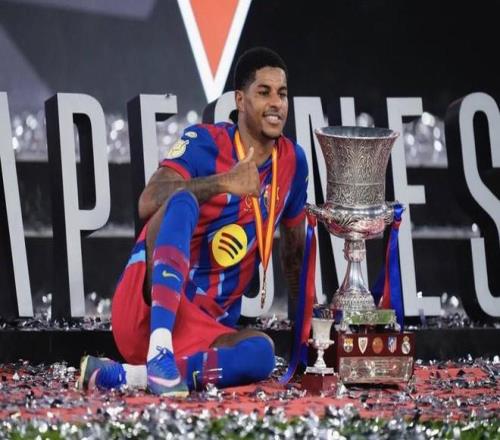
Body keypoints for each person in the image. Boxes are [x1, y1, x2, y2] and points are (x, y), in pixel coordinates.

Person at [79, 47, 308, 397]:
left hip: (204, 329)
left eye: (282, 93)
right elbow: (148, 201)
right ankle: (159, 350)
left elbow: (294, 253)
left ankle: (133, 376)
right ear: (240, 100)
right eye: (264, 92)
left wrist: (307, 331)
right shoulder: (204, 141)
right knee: (181, 200)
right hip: (148, 311)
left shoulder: (292, 162)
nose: (276, 103)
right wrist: (224, 182)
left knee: (262, 353)